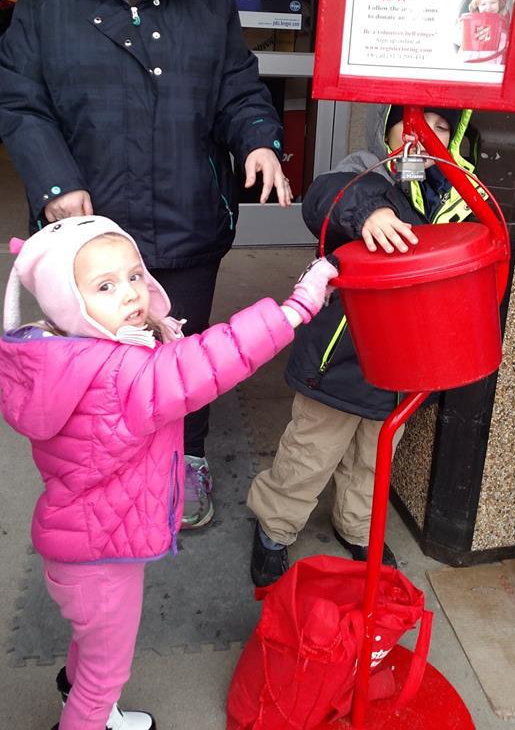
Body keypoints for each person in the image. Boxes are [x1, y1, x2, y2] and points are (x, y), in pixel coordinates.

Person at [0, 0, 292, 531]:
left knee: (181, 352)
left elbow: (238, 90)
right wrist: (55, 182)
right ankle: (106, 464)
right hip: (92, 235)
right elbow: (19, 102)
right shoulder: (48, 3)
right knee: (98, 363)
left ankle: (185, 460)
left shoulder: (207, 4)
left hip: (187, 221)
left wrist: (257, 138)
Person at [0, 215, 338, 730]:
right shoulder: (123, 375)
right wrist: (296, 309)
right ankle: (88, 711)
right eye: (105, 286)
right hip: (103, 557)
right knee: (104, 672)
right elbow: (213, 357)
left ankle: (77, 687)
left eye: (135, 275)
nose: (132, 293)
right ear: (68, 303)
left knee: (92, 642)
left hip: (80, 542)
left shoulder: (62, 354)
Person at [247, 104, 479, 587]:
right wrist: (370, 211)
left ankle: (356, 526)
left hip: (406, 363)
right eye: (413, 126)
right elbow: (324, 198)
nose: (425, 138)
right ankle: (275, 526)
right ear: (389, 128)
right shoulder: (365, 171)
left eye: (441, 129)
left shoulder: (459, 193)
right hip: (341, 356)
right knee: (310, 452)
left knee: (374, 460)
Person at [456, 0, 510, 65]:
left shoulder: (501, 22)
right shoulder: (470, 21)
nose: (488, 7)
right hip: (471, 59)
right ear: (477, 7)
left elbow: (502, 44)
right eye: (483, 4)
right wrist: (461, 29)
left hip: (492, 60)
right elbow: (460, 41)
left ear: (500, 3)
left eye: (492, 2)